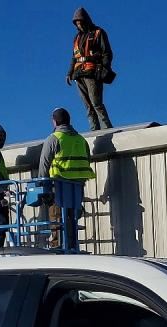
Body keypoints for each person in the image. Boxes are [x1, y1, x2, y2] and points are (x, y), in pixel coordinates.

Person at [39, 108, 95, 252]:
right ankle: (71, 246)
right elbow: (87, 160)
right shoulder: (81, 140)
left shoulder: (54, 138)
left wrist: (42, 186)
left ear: (55, 121)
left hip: (59, 187)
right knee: (72, 219)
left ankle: (58, 247)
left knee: (57, 218)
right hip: (76, 189)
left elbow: (44, 164)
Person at [66, 7, 113, 131]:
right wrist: (69, 73)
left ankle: (107, 130)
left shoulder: (98, 33)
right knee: (88, 106)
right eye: (77, 23)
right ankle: (94, 130)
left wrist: (104, 69)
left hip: (92, 72)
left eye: (81, 22)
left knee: (96, 103)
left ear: (86, 21)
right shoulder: (76, 38)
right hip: (78, 74)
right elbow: (74, 56)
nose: (79, 25)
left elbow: (107, 53)